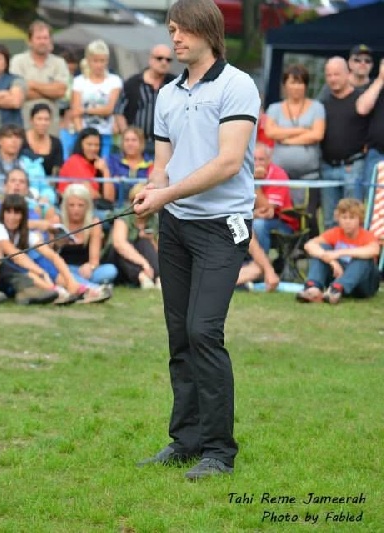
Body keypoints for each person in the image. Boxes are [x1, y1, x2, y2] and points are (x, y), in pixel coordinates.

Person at [133, 0, 260, 480]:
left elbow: (228, 162)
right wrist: (152, 192)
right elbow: (162, 164)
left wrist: (165, 193)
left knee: (204, 330)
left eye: (183, 29)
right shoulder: (167, 94)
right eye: (171, 29)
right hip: (176, 226)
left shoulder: (237, 85)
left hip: (222, 226)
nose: (175, 38)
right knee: (179, 334)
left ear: (208, 30)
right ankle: (185, 441)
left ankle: (219, 452)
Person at [264, 64, 325, 233]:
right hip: (281, 176)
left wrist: (285, 138)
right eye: (292, 82)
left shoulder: (317, 107)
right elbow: (270, 132)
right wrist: (302, 130)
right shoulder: (274, 108)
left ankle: (309, 246)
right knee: (283, 214)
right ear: (285, 85)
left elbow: (317, 134)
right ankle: (285, 245)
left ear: (306, 85)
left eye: (300, 82)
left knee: (309, 216)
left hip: (310, 176)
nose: (297, 87)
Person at [296, 198, 380, 304]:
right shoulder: (335, 233)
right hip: (338, 275)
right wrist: (332, 261)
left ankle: (336, 290)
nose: (347, 222)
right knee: (323, 248)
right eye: (344, 217)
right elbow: (309, 245)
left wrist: (338, 253)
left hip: (363, 284)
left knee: (364, 258)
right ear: (338, 219)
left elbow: (374, 250)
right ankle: (313, 288)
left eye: (352, 218)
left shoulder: (366, 235)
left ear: (360, 220)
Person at [320, 57, 370, 223]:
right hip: (327, 166)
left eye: (336, 74)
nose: (332, 79)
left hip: (353, 167)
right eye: (329, 75)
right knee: (329, 220)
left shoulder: (361, 100)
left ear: (348, 74)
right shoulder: (323, 102)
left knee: (353, 218)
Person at [115, 44, 176, 158]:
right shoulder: (132, 83)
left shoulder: (175, 84)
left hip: (166, 144)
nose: (164, 62)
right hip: (138, 145)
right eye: (159, 58)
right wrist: (128, 137)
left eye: (168, 60)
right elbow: (119, 112)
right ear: (150, 59)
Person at [10, 21, 70, 135]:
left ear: (50, 41)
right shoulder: (18, 61)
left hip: (51, 127)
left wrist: (32, 84)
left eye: (45, 38)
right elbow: (18, 93)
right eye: (38, 38)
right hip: (24, 123)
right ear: (29, 41)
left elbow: (61, 91)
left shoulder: (59, 63)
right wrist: (50, 91)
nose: (42, 42)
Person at [55, 184, 117, 289]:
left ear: (87, 206)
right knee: (58, 273)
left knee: (110, 270)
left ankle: (76, 283)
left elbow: (94, 260)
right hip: (63, 268)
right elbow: (49, 255)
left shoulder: (94, 223)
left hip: (84, 270)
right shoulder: (58, 220)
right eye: (71, 205)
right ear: (65, 206)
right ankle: (93, 288)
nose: (76, 209)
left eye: (80, 205)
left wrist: (90, 266)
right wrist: (58, 243)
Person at [71, 39, 122, 158]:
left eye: (102, 61)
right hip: (84, 135)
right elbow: (75, 112)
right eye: (95, 61)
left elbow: (109, 109)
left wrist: (84, 110)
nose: (99, 65)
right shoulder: (79, 81)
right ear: (88, 60)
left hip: (106, 134)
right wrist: (82, 136)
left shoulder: (114, 81)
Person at [104, 182, 160, 289]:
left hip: (144, 264)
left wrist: (152, 241)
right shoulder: (123, 216)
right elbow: (119, 244)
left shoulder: (154, 220)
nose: (143, 204)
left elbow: (159, 251)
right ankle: (141, 276)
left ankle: (158, 277)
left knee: (145, 242)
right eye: (140, 200)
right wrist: (144, 264)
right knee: (122, 248)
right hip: (116, 261)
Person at [251, 144, 298, 255]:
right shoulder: (243, 173)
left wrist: (255, 183)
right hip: (252, 216)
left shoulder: (278, 175)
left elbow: (266, 210)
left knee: (258, 224)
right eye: (254, 159)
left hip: (281, 221)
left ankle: (261, 263)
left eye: (261, 160)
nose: (257, 164)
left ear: (269, 160)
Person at [57, 128, 115, 215]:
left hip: (93, 208)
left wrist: (105, 171)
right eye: (89, 144)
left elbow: (110, 199)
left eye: (97, 145)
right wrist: (101, 197)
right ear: (81, 145)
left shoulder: (98, 164)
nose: (93, 148)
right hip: (73, 209)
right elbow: (89, 194)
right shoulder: (74, 161)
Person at [356, 57, 384, 195]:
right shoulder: (375, 86)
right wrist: (380, 79)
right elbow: (362, 109)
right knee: (372, 199)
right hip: (377, 154)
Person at [107, 126, 153, 205]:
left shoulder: (151, 162)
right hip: (116, 205)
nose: (130, 143)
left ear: (141, 143)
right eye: (126, 140)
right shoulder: (112, 161)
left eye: (134, 140)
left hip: (143, 204)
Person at [24, 103, 64, 178]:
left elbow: (57, 169)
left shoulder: (56, 143)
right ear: (31, 120)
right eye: (39, 119)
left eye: (46, 119)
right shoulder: (21, 139)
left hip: (47, 182)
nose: (43, 123)